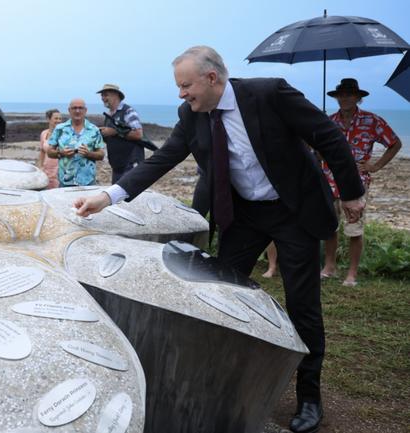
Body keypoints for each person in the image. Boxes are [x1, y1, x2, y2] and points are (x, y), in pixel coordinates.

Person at [73, 46, 365, 433]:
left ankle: (309, 396)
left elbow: (327, 136)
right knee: (220, 294)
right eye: (179, 87)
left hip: (294, 214)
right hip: (243, 216)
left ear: (212, 78)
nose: (181, 94)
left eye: (185, 85)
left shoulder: (269, 93)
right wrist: (107, 197)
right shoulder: (189, 116)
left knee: (303, 307)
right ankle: (225, 375)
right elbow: (162, 160)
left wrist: (350, 192)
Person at [320, 78, 403, 287]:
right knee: (329, 224)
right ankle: (329, 267)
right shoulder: (328, 121)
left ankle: (352, 274)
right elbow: (319, 152)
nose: (345, 98)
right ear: (336, 97)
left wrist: (375, 166)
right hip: (329, 179)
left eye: (349, 94)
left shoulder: (372, 121)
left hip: (357, 181)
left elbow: (394, 143)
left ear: (358, 98)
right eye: (341, 95)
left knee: (354, 226)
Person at [97, 84, 153, 182]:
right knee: (117, 196)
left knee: (129, 195)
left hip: (131, 165)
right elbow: (113, 139)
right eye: (102, 95)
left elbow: (138, 134)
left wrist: (114, 132)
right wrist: (103, 134)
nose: (103, 98)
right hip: (117, 167)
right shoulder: (109, 115)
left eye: (105, 95)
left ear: (116, 95)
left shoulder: (128, 111)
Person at [46, 98, 105, 187]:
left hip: (88, 182)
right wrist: (61, 153)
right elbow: (49, 152)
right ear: (69, 110)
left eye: (80, 108)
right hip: (65, 182)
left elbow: (101, 155)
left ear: (85, 110)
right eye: (74, 108)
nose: (77, 111)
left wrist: (88, 153)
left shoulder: (94, 130)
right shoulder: (60, 129)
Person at [36, 109, 62, 189]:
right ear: (48, 119)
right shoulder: (44, 133)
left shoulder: (64, 134)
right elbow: (42, 152)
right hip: (46, 171)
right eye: (56, 118)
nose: (58, 121)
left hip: (58, 172)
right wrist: (40, 167)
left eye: (60, 119)